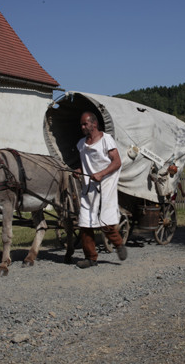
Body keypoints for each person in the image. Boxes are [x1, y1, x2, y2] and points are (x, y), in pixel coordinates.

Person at [74, 112, 127, 268]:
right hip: (88, 187)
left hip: (106, 184)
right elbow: (85, 164)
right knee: (85, 223)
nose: (82, 127)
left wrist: (101, 174)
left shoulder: (106, 140)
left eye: (85, 124)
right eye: (81, 124)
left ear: (94, 124)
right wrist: (79, 170)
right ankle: (91, 258)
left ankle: (118, 244)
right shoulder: (81, 144)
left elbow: (117, 162)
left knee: (106, 221)